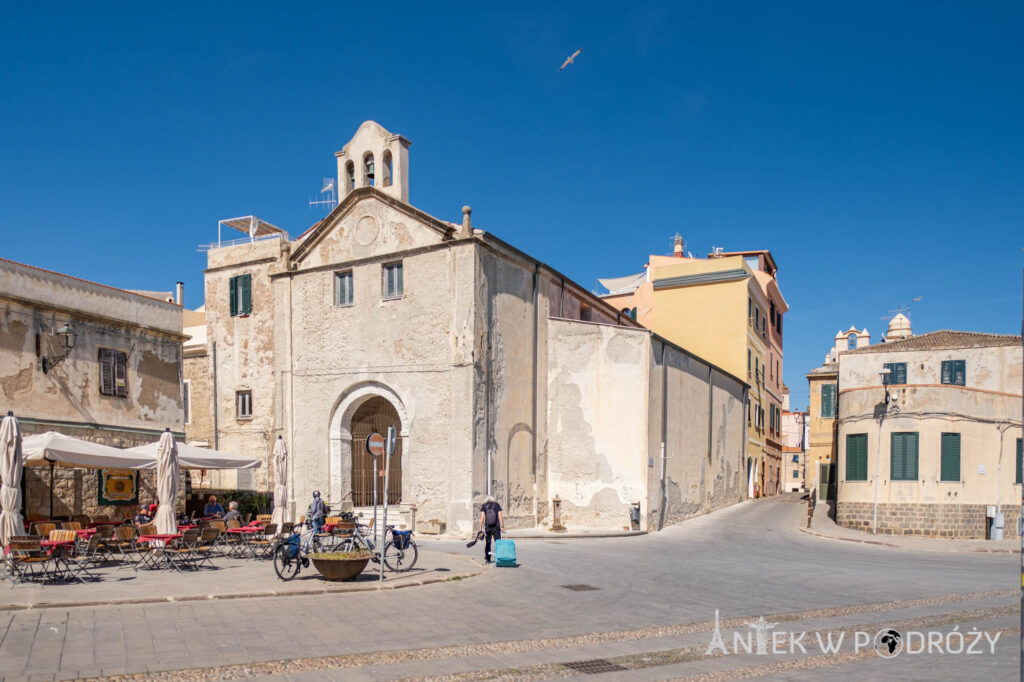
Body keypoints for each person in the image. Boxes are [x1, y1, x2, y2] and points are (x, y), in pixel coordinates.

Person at [478, 495, 505, 563]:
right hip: (496, 527)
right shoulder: (497, 505)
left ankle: (488, 558)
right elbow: (500, 516)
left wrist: (480, 528)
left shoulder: (484, 505)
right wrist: (502, 526)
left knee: (488, 542)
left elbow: (482, 517)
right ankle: (498, 557)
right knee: (498, 542)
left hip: (488, 527)